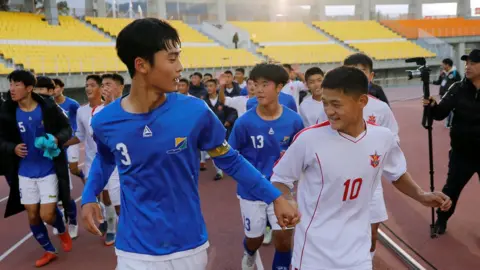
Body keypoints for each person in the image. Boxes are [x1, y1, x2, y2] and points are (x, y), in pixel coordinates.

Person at [81, 18, 299, 269]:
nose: (180, 68)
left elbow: (231, 160)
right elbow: (106, 158)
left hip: (188, 247)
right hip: (134, 251)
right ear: (141, 65)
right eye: (172, 59)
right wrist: (89, 195)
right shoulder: (106, 121)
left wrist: (275, 197)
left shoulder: (195, 111)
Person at [271, 66, 451, 270]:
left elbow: (396, 173)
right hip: (314, 254)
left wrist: (421, 195)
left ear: (362, 101)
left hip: (358, 253)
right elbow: (280, 178)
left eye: (336, 104)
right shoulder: (308, 140)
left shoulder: (382, 138)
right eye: (325, 103)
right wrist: (284, 200)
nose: (329, 111)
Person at [229, 63, 304, 270]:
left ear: (279, 87)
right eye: (255, 84)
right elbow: (231, 157)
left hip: (281, 190)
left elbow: (302, 155)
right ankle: (249, 251)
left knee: (283, 239)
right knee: (256, 238)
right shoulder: (244, 122)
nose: (258, 89)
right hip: (252, 192)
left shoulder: (294, 121)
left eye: (265, 84)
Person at [0, 70, 73, 267]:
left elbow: (67, 128)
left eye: (16, 84)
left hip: (48, 169)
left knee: (47, 215)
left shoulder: (48, 107)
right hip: (23, 172)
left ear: (29, 88)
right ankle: (49, 250)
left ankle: (62, 230)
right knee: (32, 214)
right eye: (11, 84)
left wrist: (57, 139)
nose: (12, 89)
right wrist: (11, 148)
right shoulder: (6, 111)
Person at [423, 49, 480, 235]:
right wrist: (432, 106)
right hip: (461, 153)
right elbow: (440, 113)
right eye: (467, 63)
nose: (468, 66)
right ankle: (441, 220)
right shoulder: (457, 88)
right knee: (451, 190)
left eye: (473, 63)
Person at [51, 78, 80, 238]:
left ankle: (73, 221)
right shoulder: (45, 107)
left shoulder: (72, 104)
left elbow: (75, 123)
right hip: (52, 148)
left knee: (66, 187)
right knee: (50, 192)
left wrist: (70, 137)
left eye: (55, 88)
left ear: (61, 88)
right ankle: (59, 218)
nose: (52, 91)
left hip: (69, 142)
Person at [432, 58, 462, 128]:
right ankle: (449, 123)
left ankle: (450, 123)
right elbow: (439, 82)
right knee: (444, 109)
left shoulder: (455, 73)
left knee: (451, 109)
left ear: (447, 65)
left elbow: (460, 83)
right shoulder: (443, 73)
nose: (442, 66)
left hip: (451, 96)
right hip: (442, 95)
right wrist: (430, 82)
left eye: (443, 65)